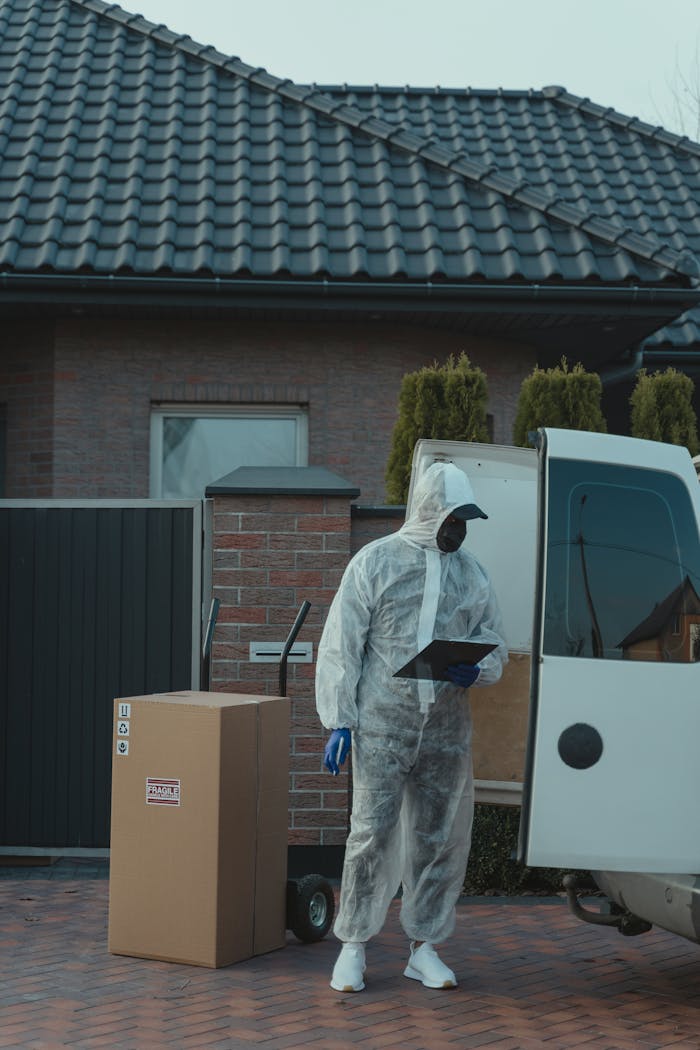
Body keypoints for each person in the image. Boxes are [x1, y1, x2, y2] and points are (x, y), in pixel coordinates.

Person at [315, 460, 507, 993]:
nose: (460, 530)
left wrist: (481, 667)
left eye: (465, 520)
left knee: (439, 838)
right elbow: (341, 647)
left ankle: (424, 947)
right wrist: (340, 721)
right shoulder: (374, 563)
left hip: (446, 729)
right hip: (382, 724)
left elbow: (495, 641)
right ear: (428, 513)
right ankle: (353, 945)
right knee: (370, 832)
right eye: (452, 518)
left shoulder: (472, 574)